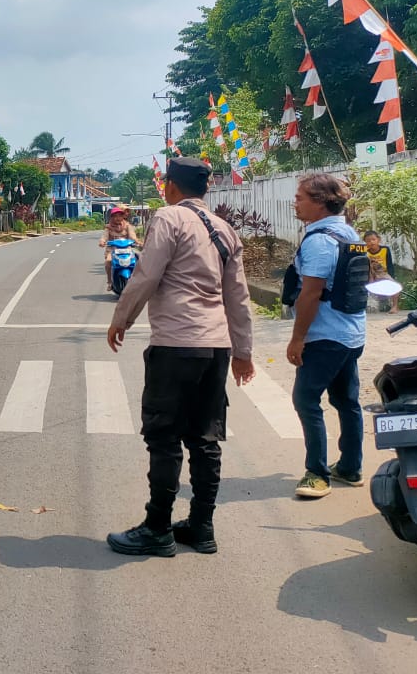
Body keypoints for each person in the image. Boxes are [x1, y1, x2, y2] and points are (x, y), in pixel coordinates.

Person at [105, 157, 256, 557]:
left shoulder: (169, 218)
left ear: (170, 185)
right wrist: (243, 352)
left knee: (165, 437)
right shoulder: (225, 229)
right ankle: (202, 527)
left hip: (176, 344)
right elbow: (237, 297)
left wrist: (121, 318)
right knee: (206, 439)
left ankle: (157, 528)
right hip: (216, 347)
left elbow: (147, 274)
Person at [287, 175, 367, 499]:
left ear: (319, 202)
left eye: (300, 197)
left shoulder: (320, 240)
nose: (296, 202)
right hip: (351, 333)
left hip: (326, 336)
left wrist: (297, 338)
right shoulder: (347, 231)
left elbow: (311, 293)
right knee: (347, 400)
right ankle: (350, 466)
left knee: (305, 399)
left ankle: (317, 474)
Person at [100, 206, 141, 290]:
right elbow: (104, 237)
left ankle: (139, 281)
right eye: (115, 216)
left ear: (123, 216)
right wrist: (102, 241)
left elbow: (132, 236)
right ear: (111, 217)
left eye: (119, 215)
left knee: (139, 260)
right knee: (108, 261)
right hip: (112, 250)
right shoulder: (108, 227)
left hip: (126, 249)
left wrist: (138, 242)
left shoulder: (127, 226)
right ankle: (109, 282)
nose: (117, 218)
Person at [363, 229, 399, 314]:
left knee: (396, 286)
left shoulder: (385, 249)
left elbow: (389, 264)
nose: (371, 242)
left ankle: (395, 306)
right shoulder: (364, 252)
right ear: (365, 242)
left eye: (373, 239)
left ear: (378, 240)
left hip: (382, 273)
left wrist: (392, 277)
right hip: (369, 273)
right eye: (368, 241)